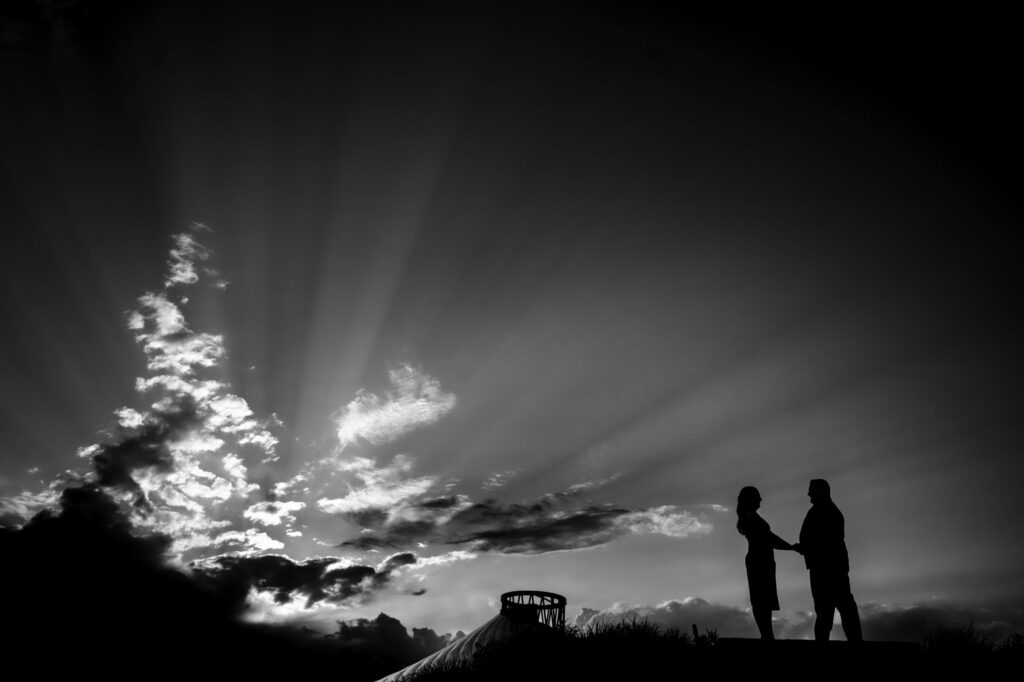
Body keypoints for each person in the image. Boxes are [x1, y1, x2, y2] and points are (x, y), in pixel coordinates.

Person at [795, 479, 863, 642]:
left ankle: (853, 643)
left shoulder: (826, 511)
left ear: (821, 492)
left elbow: (825, 542)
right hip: (824, 568)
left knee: (836, 609)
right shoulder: (821, 510)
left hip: (828, 569)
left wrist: (805, 548)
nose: (808, 494)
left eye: (812, 490)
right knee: (828, 611)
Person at [736, 486, 798, 640]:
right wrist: (791, 547)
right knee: (761, 599)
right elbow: (769, 538)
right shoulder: (750, 518)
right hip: (759, 561)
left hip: (763, 560)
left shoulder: (751, 517)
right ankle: (767, 635)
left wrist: (790, 547)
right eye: (757, 496)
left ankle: (767, 634)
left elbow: (769, 537)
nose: (760, 499)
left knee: (764, 600)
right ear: (750, 499)